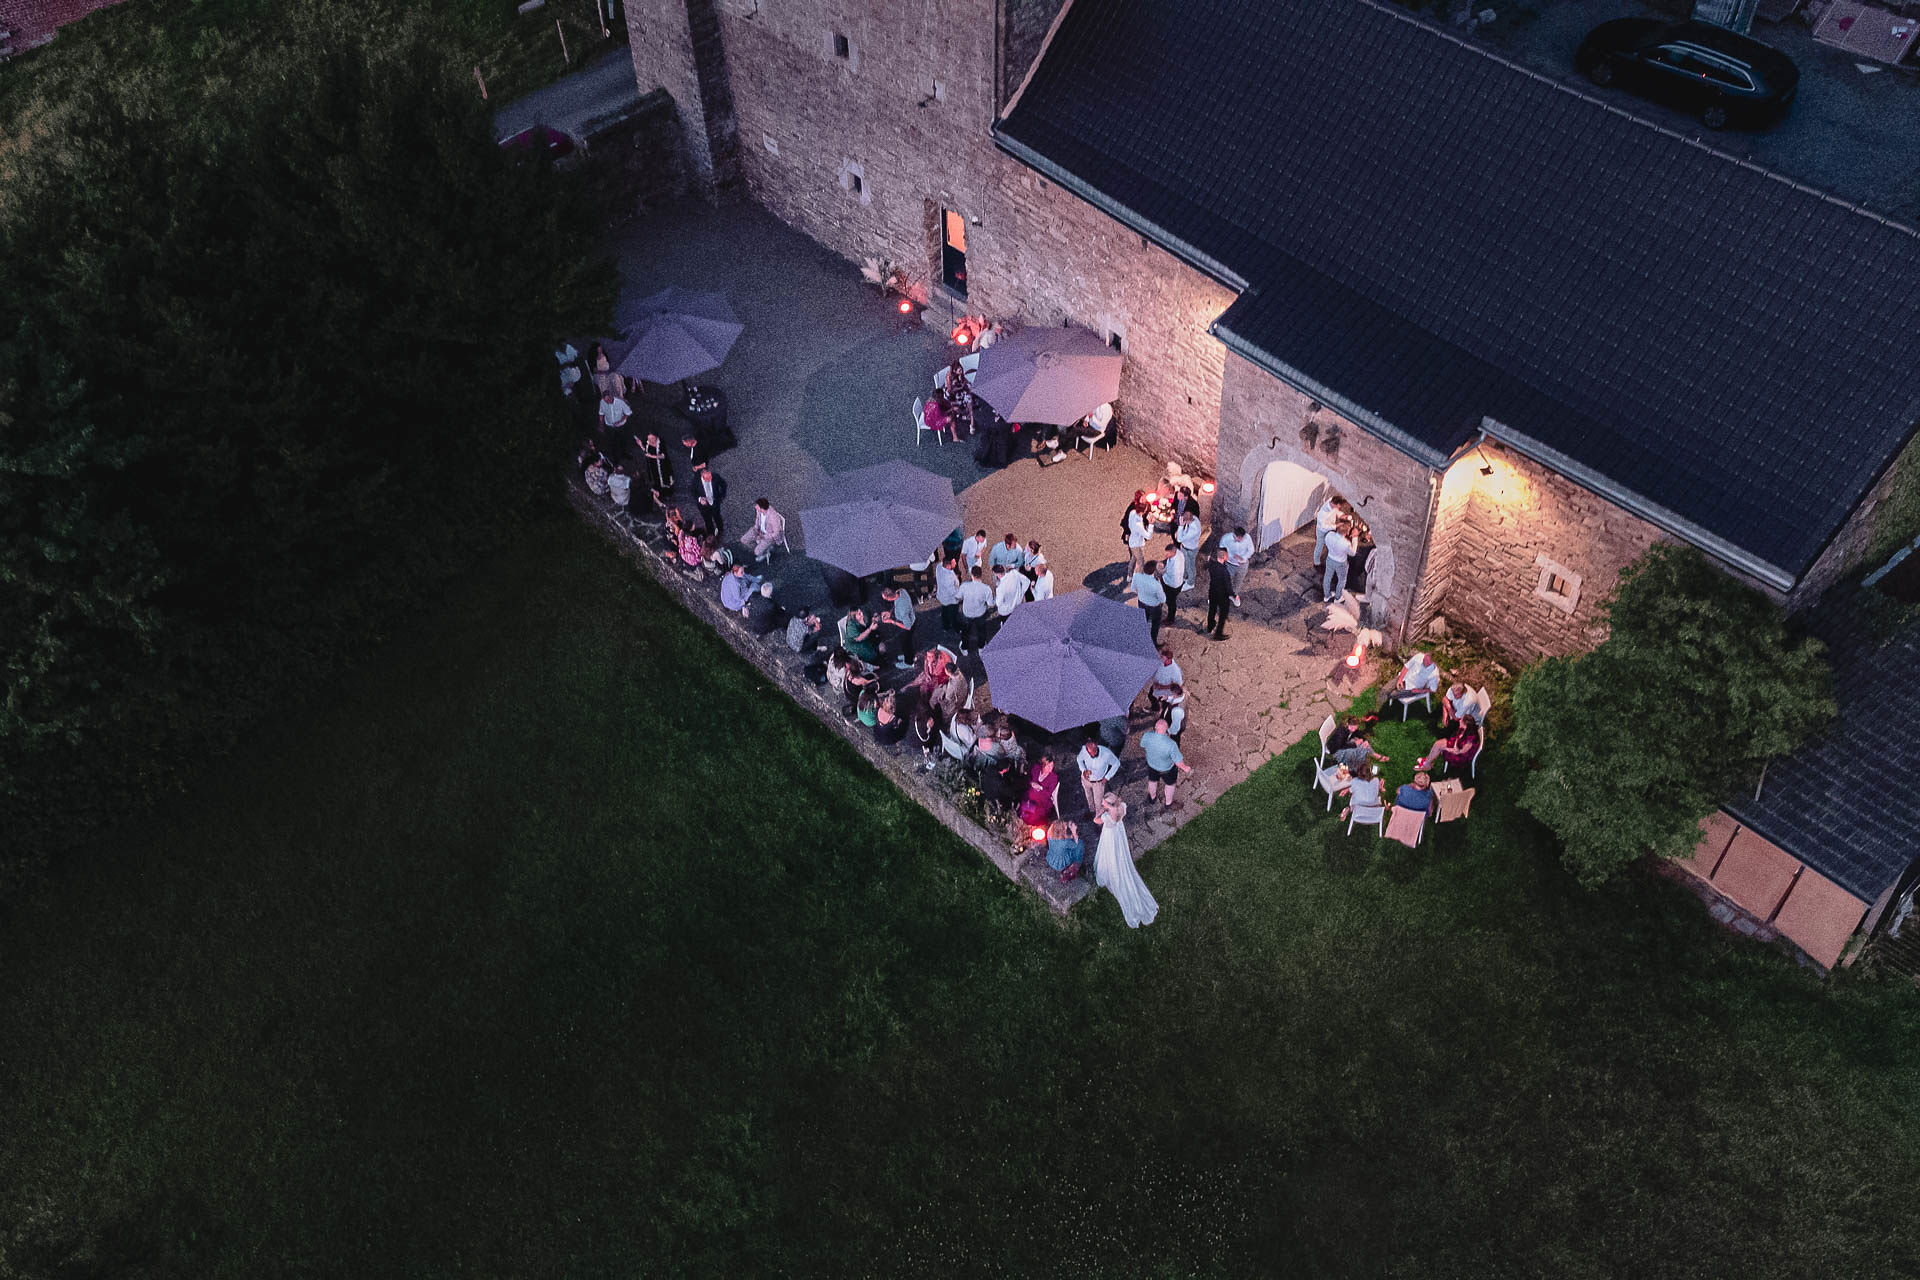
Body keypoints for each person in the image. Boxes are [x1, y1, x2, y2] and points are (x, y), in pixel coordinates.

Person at [1093, 793, 1158, 928]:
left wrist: (1100, 812)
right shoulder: (1122, 806)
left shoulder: (1107, 816)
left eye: (1104, 802)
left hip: (1110, 837)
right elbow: (1121, 811)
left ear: (1109, 804)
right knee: (1120, 851)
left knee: (1110, 853)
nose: (1102, 803)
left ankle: (1109, 869)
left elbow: (1096, 820)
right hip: (1119, 832)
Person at [1140, 716, 1192, 809]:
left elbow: (1142, 745)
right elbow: (1178, 762)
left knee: (1152, 781)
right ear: (1167, 729)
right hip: (1167, 769)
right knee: (1170, 784)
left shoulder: (1147, 735)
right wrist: (1185, 768)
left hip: (1151, 765)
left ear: (1155, 727)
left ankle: (1152, 798)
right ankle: (1168, 803)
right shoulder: (1171, 744)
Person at [1381, 651, 1442, 716]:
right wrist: (1400, 679)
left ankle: (1380, 714)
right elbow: (1406, 667)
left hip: (1411, 689)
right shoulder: (1419, 656)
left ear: (1432, 662)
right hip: (1403, 678)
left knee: (1391, 694)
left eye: (1426, 661)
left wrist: (1419, 691)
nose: (1424, 661)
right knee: (1384, 690)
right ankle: (1376, 710)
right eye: (1424, 659)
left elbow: (1432, 689)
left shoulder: (1434, 674)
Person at [1077, 735, 1120, 815]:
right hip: (1086, 779)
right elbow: (1079, 759)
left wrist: (1107, 777)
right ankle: (1091, 810)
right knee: (1088, 796)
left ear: (1096, 745)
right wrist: (1083, 770)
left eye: (1093, 751)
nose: (1091, 755)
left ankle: (1098, 816)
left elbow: (1116, 763)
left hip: (1098, 782)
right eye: (1089, 752)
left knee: (1098, 802)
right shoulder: (1084, 749)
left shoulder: (1106, 754)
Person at [958, 565, 995, 654]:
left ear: (972, 575)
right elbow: (991, 604)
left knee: (965, 631)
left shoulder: (964, 586)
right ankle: (981, 647)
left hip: (967, 613)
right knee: (981, 631)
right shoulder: (986, 588)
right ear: (981, 575)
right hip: (980, 614)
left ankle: (964, 648)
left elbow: (959, 597)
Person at [1130, 558, 1167, 644]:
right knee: (1155, 624)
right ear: (1154, 571)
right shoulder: (1156, 585)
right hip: (1154, 607)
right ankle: (1153, 642)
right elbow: (1163, 599)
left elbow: (1133, 589)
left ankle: (1140, 638)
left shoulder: (1136, 576)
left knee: (1143, 620)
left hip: (1141, 602)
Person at [879, 586, 917, 668]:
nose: (886, 600)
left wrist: (892, 621)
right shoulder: (901, 591)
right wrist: (890, 612)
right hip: (911, 619)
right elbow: (896, 603)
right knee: (908, 643)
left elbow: (908, 626)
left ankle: (909, 662)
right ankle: (911, 656)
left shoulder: (902, 609)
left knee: (905, 645)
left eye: (885, 599)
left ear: (889, 598)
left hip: (907, 628)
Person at [1019, 756, 1061, 827]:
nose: (1051, 768)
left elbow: (1048, 793)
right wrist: (1031, 783)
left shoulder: (1053, 777)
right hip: (1030, 795)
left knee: (1036, 815)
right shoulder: (1036, 768)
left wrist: (1040, 788)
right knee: (1024, 809)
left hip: (1042, 799)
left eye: (1052, 766)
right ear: (1043, 765)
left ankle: (1037, 824)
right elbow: (1028, 779)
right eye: (1048, 766)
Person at [1339, 761, 1385, 825]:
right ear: (1370, 772)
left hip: (1357, 808)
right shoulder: (1376, 780)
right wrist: (1380, 786)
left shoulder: (1354, 781)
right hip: (1374, 807)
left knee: (1353, 795)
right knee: (1376, 798)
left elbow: (1351, 791)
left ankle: (1349, 809)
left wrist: (1348, 790)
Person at [1219, 525, 1254, 606]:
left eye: (1241, 539)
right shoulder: (1225, 539)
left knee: (1238, 581)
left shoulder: (1247, 538)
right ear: (1234, 534)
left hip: (1243, 565)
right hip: (1229, 564)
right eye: (1238, 538)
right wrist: (1232, 557)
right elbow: (1221, 552)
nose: (1239, 540)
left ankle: (1234, 596)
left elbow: (1251, 550)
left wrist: (1243, 557)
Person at [1321, 518, 1354, 604]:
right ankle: (1338, 597)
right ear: (1347, 531)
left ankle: (1327, 596)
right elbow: (1353, 553)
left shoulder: (1329, 535)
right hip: (1341, 562)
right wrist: (1355, 538)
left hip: (1330, 558)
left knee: (1327, 577)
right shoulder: (1346, 543)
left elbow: (1326, 542)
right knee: (1341, 579)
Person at [1313, 496, 1350, 568]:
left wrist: (1342, 516)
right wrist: (1336, 526)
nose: (1339, 507)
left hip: (1331, 527)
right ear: (1336, 504)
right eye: (1339, 506)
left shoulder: (1332, 501)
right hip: (1322, 531)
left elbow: (1336, 511)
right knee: (1319, 546)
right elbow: (1323, 526)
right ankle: (1316, 563)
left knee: (1330, 543)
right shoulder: (1322, 513)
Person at [1205, 545, 1233, 640]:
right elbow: (1228, 586)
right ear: (1224, 557)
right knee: (1223, 613)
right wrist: (1233, 595)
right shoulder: (1224, 571)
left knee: (1212, 609)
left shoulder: (1212, 565)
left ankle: (1210, 626)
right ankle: (1218, 633)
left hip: (1212, 591)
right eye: (1227, 555)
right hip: (1222, 595)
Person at [694, 465, 727, 538]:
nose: (710, 480)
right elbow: (693, 492)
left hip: (715, 502)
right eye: (707, 479)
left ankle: (720, 530)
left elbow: (724, 484)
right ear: (702, 476)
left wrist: (721, 496)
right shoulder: (696, 481)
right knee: (707, 520)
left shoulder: (715, 476)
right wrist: (700, 499)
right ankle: (711, 534)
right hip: (703, 506)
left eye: (710, 477)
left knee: (717, 517)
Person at [934, 554, 963, 633]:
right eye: (954, 563)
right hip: (950, 599)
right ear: (948, 566)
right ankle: (957, 628)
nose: (956, 564)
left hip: (942, 595)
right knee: (953, 614)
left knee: (944, 611)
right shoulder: (948, 578)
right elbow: (954, 592)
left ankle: (946, 626)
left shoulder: (939, 566)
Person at [1161, 541, 1188, 621]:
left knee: (1171, 602)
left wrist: (1162, 574)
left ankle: (1170, 619)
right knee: (1170, 599)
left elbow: (1171, 576)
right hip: (1177, 582)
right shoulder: (1178, 553)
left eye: (1167, 554)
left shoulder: (1175, 566)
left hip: (1172, 585)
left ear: (1173, 552)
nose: (1165, 555)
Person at [1149, 647, 1183, 712]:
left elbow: (1178, 686)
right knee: (1151, 696)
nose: (1160, 658)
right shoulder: (1162, 662)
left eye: (1162, 657)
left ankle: (1162, 714)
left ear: (1168, 660)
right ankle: (1155, 709)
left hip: (1165, 692)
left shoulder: (1175, 671)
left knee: (1164, 704)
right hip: (1156, 685)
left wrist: (1162, 687)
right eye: (1161, 656)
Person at [1124, 496, 1150, 575]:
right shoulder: (1138, 525)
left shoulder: (1132, 513)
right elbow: (1148, 536)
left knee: (1133, 558)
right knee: (1141, 561)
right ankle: (1139, 576)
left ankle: (1130, 574)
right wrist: (1151, 524)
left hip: (1132, 541)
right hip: (1137, 544)